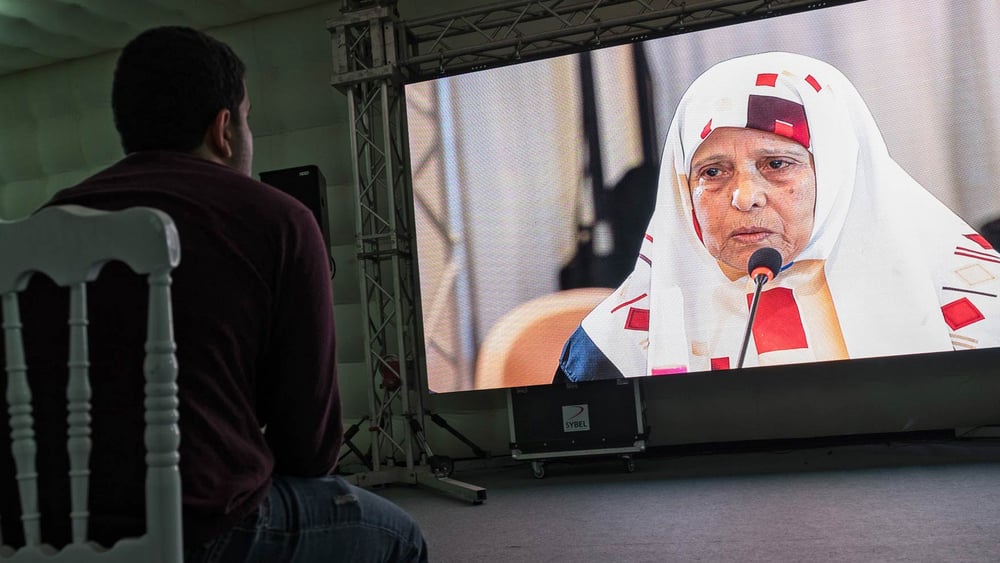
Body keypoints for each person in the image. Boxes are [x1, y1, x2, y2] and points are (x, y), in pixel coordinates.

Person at [0, 26, 427, 562]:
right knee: (400, 537)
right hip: (203, 532)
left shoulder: (45, 225)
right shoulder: (278, 219)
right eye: (248, 119)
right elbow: (310, 450)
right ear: (224, 128)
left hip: (39, 532)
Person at [557, 51, 1000, 381]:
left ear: (839, 172)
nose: (745, 197)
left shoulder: (971, 298)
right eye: (713, 172)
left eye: (776, 164)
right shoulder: (616, 345)